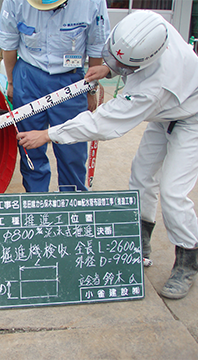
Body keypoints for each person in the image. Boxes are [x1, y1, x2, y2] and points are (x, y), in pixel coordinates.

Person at [16, 10, 198, 300]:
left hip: (191, 118)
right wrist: (110, 69)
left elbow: (103, 122)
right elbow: (128, 54)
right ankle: (140, 241)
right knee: (141, 175)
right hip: (166, 112)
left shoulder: (153, 88)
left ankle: (188, 261)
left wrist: (48, 135)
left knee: (173, 191)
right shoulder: (150, 25)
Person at [0, 0, 110, 193]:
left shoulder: (92, 3)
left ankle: (72, 201)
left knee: (72, 145)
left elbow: (96, 48)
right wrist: (12, 83)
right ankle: (37, 200)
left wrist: (91, 89)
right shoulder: (16, 2)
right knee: (29, 146)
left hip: (70, 79)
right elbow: (9, 43)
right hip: (28, 76)